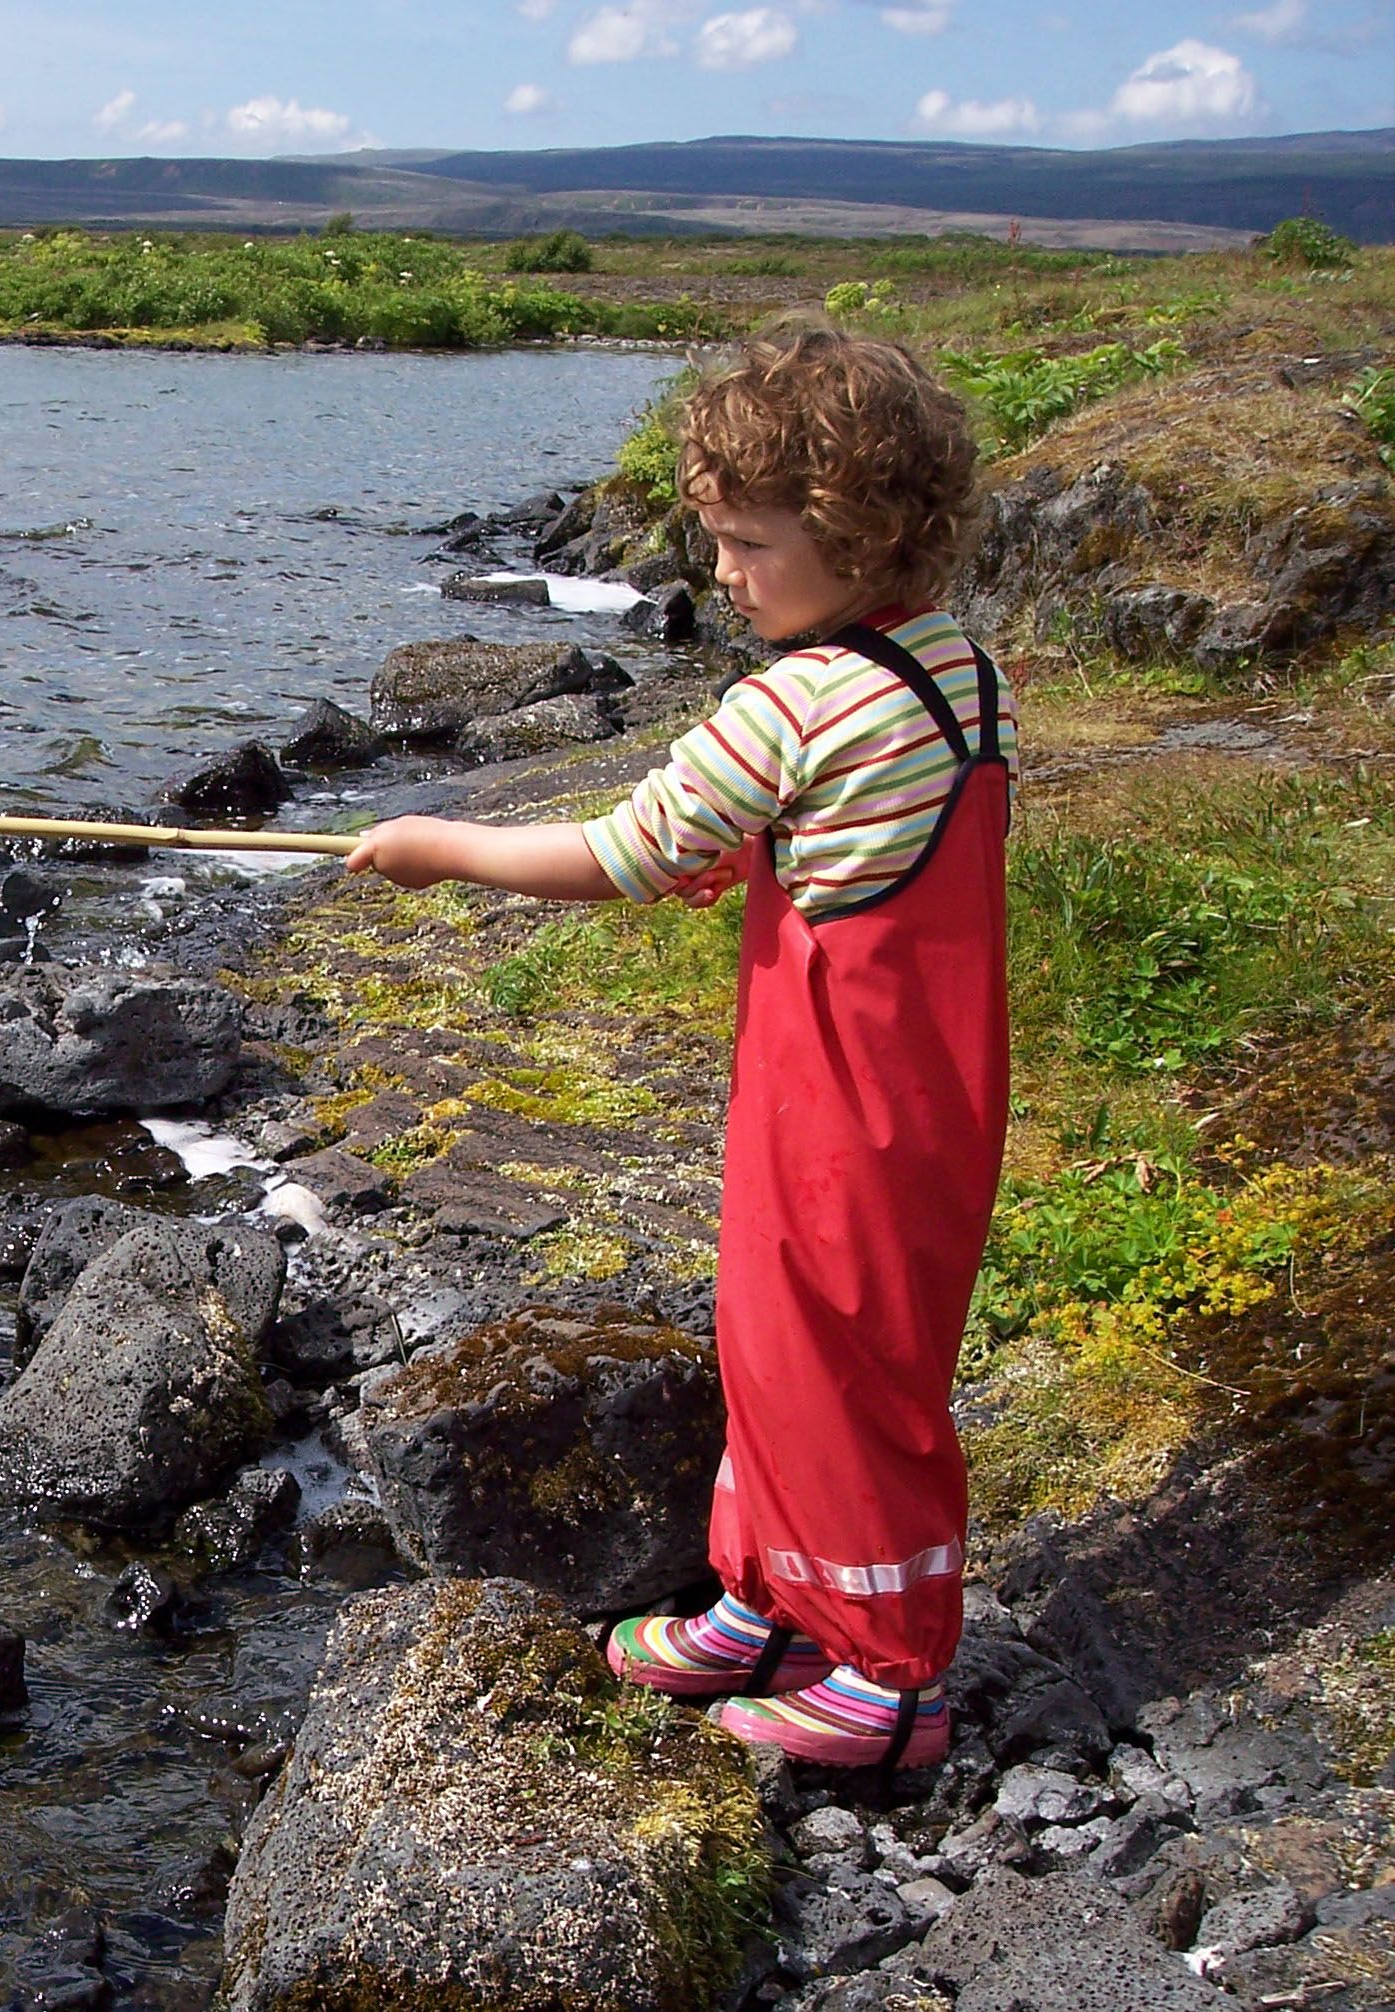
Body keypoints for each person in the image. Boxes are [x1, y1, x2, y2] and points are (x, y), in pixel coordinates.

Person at [344, 323, 1012, 1770]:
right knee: (773, 1343)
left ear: (858, 532)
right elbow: (852, 834)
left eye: (747, 543)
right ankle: (768, 1597)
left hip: (847, 1103)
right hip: (922, 1086)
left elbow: (625, 851)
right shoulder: (948, 666)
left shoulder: (799, 700)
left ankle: (890, 1681)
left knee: (843, 1366)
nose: (722, 573)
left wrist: (435, 847)